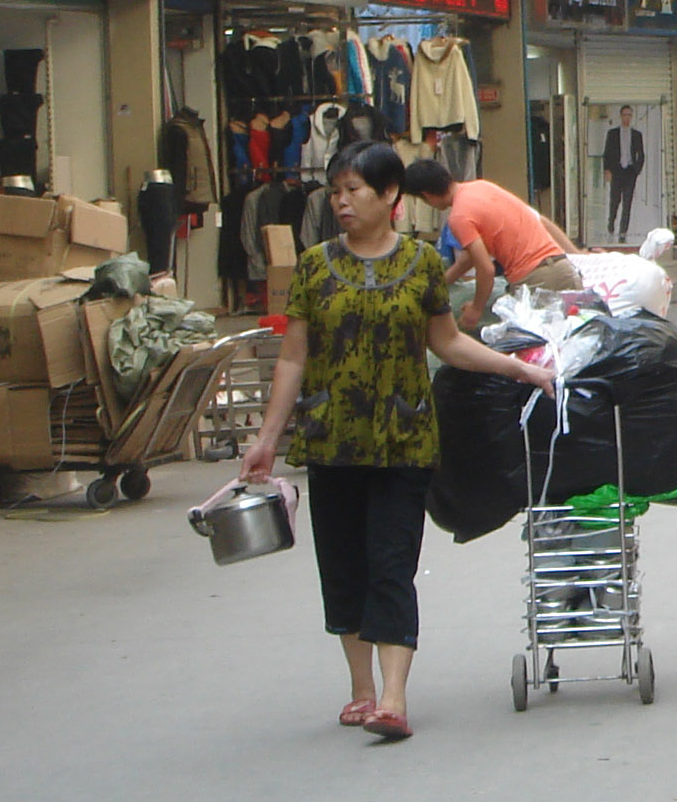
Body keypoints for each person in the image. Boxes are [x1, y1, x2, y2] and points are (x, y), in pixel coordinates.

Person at [242, 141, 554, 742]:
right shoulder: (312, 267)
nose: (341, 202)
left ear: (390, 197)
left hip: (403, 439)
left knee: (392, 563)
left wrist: (521, 369)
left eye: (353, 191)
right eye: (335, 192)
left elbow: (448, 343)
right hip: (332, 439)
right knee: (342, 566)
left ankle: (392, 696)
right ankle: (360, 689)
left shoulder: (418, 265)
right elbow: (292, 358)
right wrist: (266, 440)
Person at [405, 159, 580, 335]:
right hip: (563, 268)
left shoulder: (459, 217)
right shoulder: (482, 187)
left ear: (426, 195)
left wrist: (476, 309)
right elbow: (470, 258)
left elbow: (486, 269)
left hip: (534, 280)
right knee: (578, 344)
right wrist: (440, 284)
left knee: (536, 351)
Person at [601, 106, 646, 243]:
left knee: (627, 202)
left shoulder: (636, 135)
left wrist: (636, 170)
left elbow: (641, 154)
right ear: (621, 116)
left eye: (629, 115)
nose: (627, 118)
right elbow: (607, 153)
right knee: (615, 200)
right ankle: (611, 223)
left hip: (629, 172)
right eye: (625, 115)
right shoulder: (613, 134)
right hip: (617, 170)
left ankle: (623, 231)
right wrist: (607, 170)